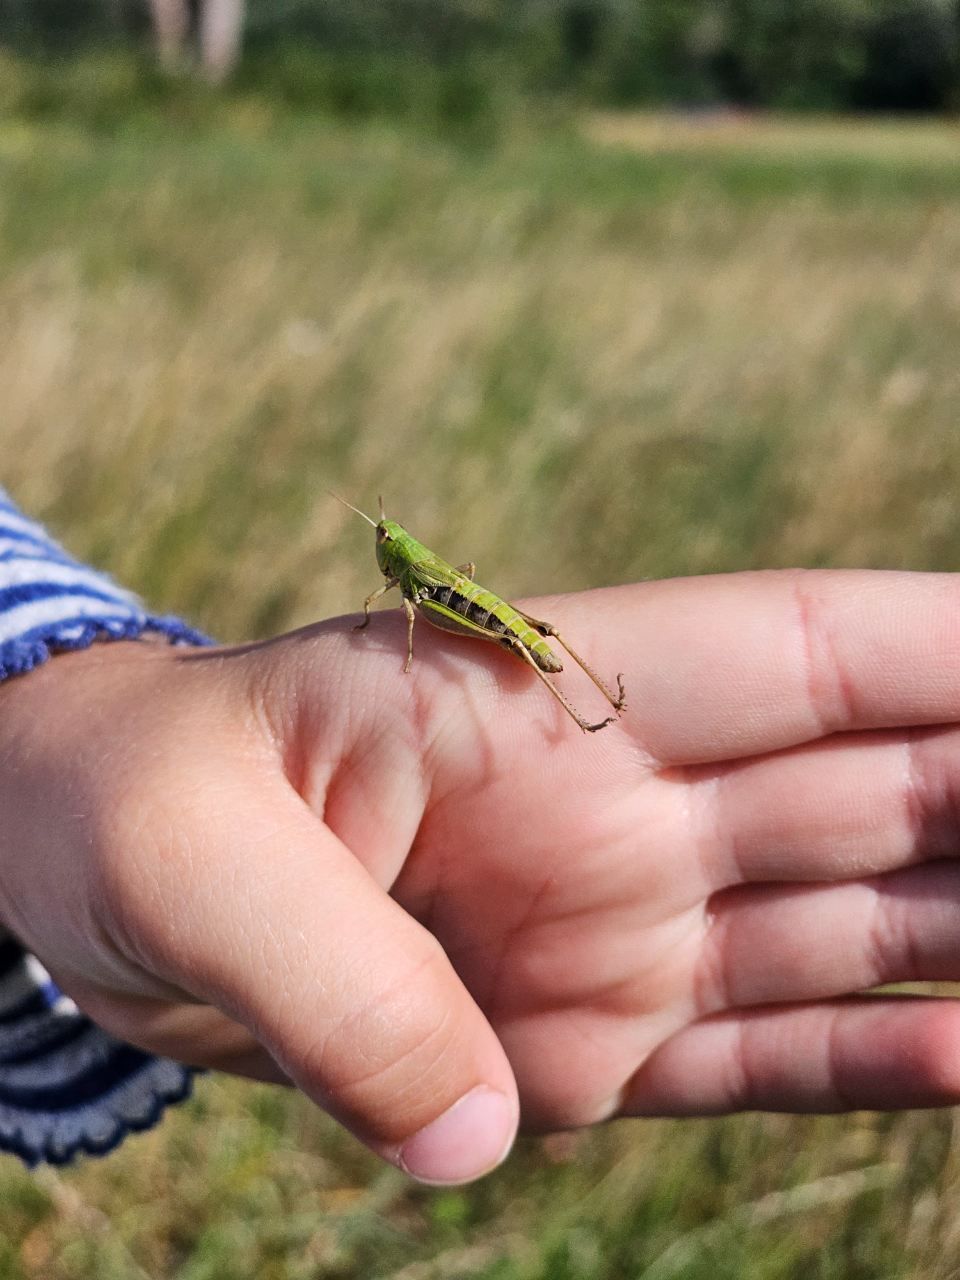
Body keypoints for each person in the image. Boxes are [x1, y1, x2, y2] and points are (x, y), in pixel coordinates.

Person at [2, 484, 960, 1185]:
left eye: (387, 539)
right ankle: (573, 693)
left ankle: (578, 697)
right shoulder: (397, 567)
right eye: (382, 541)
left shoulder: (413, 581)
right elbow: (402, 598)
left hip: (476, 619)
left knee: (509, 626)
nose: (385, 549)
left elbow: (424, 604)